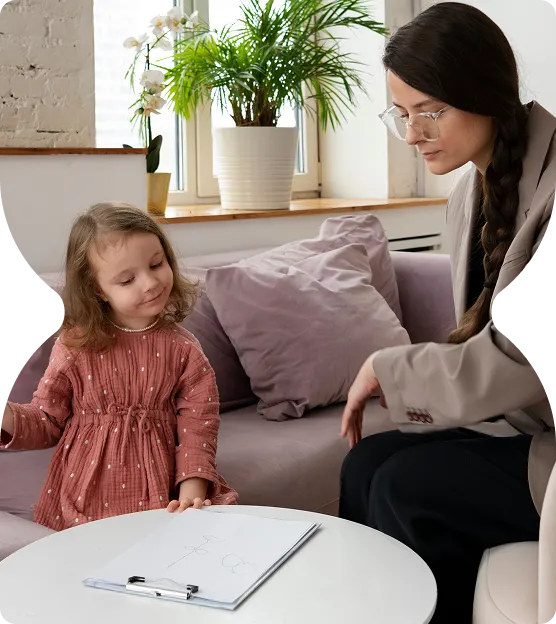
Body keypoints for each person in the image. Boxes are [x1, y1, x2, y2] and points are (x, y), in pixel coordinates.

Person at [338, 3, 556, 623]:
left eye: (431, 110)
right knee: (365, 464)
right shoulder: (469, 193)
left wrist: (389, 365)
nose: (412, 134)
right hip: (518, 428)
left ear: (486, 92)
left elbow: (522, 357)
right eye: (401, 114)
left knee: (405, 488)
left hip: (548, 447)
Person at [0, 202, 238, 531]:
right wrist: (5, 415)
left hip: (161, 495)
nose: (150, 283)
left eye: (157, 264)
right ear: (98, 290)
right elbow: (46, 420)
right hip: (81, 499)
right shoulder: (74, 346)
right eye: (127, 280)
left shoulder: (183, 350)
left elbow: (199, 427)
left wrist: (192, 490)